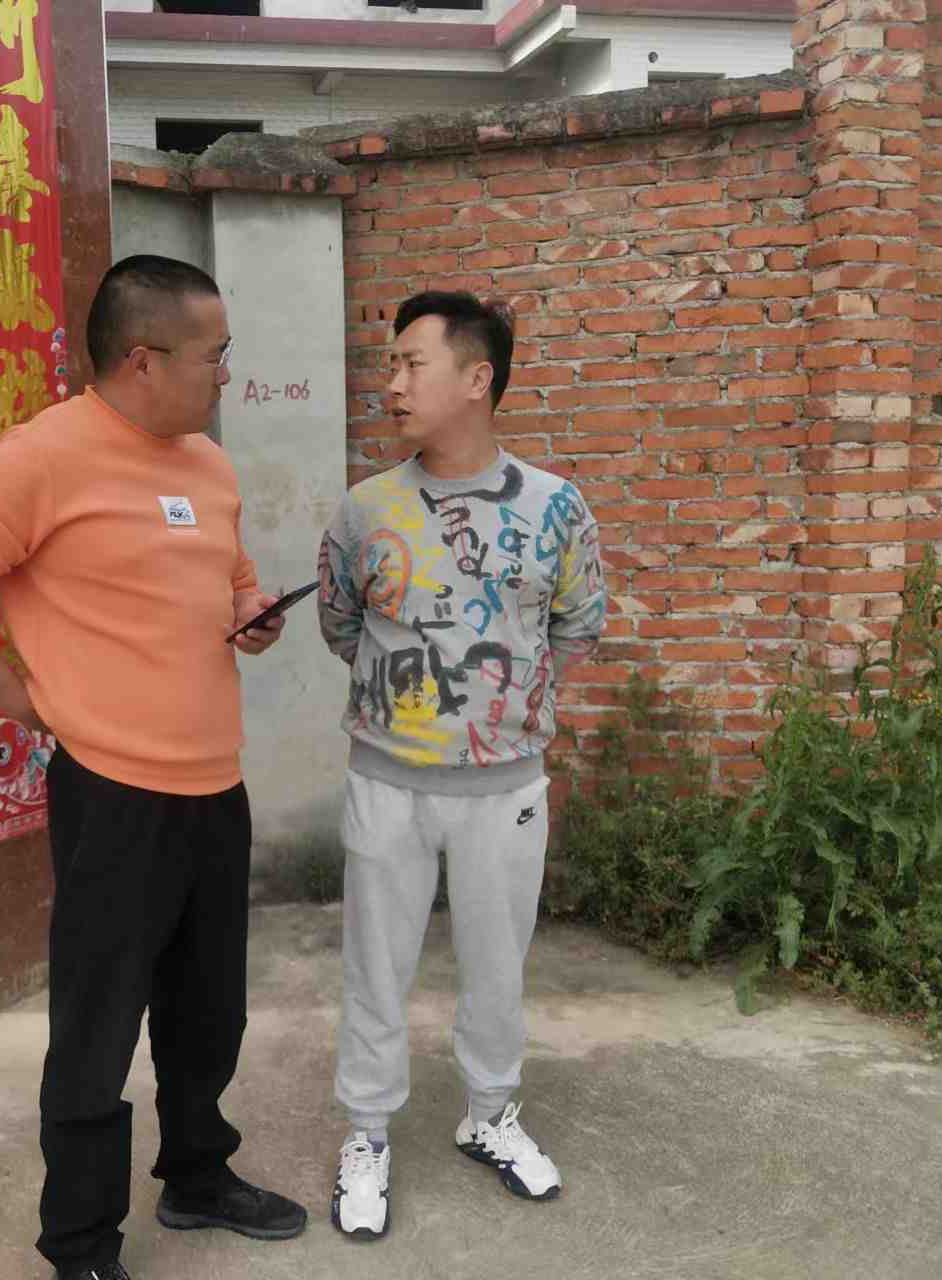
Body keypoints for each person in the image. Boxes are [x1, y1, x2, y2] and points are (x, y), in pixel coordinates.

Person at [0, 255, 308, 1280]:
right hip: (114, 794)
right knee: (97, 1024)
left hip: (213, 782)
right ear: (142, 359)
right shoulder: (44, 457)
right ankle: (80, 1243)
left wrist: (248, 615)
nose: (225, 373)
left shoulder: (206, 463)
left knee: (207, 1009)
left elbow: (231, 576)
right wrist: (16, 695)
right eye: (214, 354)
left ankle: (197, 1174)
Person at [316, 291, 608, 1239]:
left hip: (505, 787)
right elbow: (341, 626)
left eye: (413, 364)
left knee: (497, 968)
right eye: (391, 365)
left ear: (477, 378)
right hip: (387, 782)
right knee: (374, 969)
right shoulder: (366, 510)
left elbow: (576, 627)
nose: (393, 384)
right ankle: (367, 1134)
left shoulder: (556, 507)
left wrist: (499, 708)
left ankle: (490, 1115)